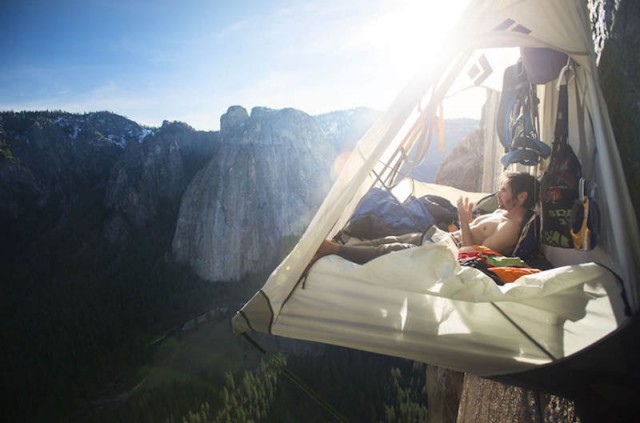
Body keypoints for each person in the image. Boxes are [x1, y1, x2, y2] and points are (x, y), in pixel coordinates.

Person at [315, 172, 538, 264]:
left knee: (390, 251)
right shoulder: (501, 213)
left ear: (522, 197)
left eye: (504, 191)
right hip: (442, 237)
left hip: (448, 251)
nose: (498, 195)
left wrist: (463, 220)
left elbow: (471, 258)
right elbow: (473, 235)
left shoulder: (510, 229)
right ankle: (334, 247)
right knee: (392, 239)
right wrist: (465, 221)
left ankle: (332, 251)